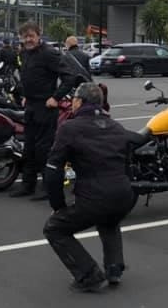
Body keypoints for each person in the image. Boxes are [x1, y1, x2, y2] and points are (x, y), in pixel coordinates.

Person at [42, 82, 134, 292]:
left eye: (74, 99)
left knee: (54, 228)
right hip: (124, 195)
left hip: (94, 197)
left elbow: (53, 170)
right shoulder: (116, 127)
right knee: (109, 219)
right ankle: (114, 269)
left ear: (79, 102)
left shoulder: (69, 128)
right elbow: (127, 164)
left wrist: (58, 206)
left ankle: (89, 274)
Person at [9, 21, 74, 199]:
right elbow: (27, 77)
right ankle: (27, 185)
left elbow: (69, 77)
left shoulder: (49, 53)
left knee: (44, 149)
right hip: (30, 105)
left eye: (31, 36)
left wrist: (56, 97)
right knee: (29, 147)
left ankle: (48, 188)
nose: (28, 39)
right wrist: (25, 95)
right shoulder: (24, 53)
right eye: (24, 36)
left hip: (46, 107)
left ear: (39, 35)